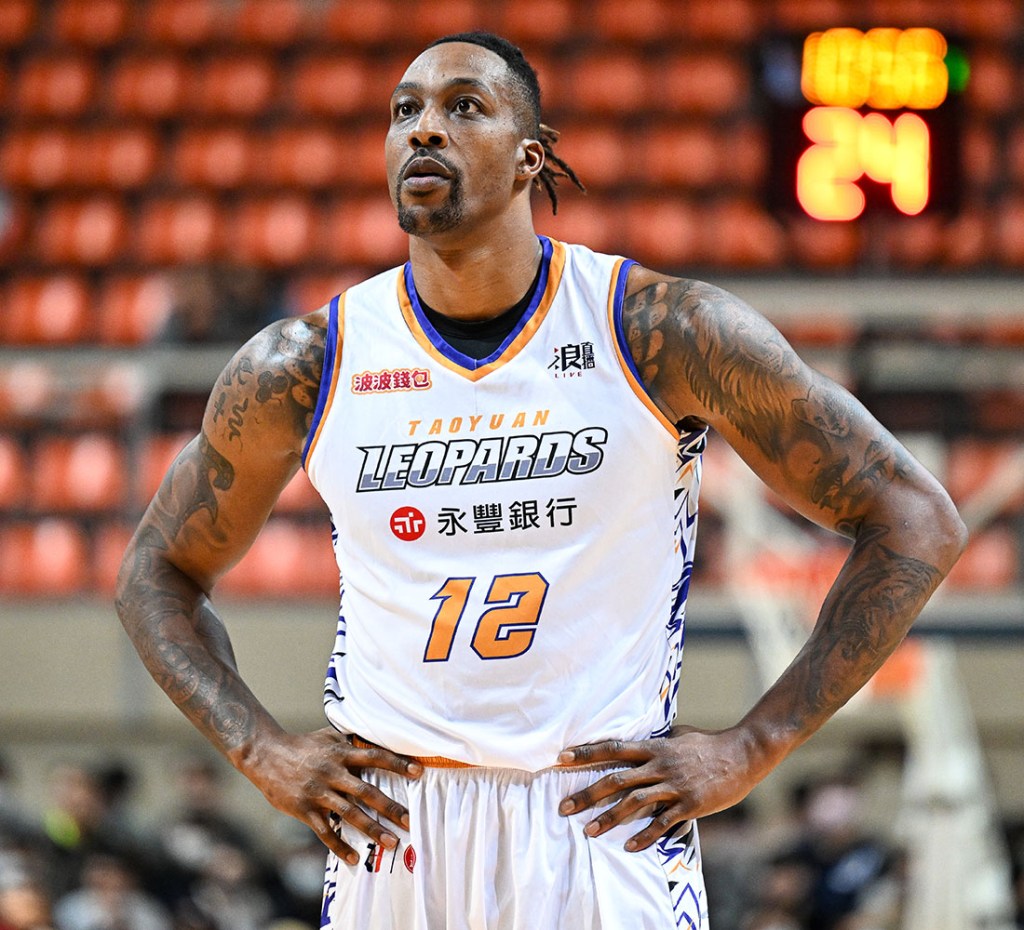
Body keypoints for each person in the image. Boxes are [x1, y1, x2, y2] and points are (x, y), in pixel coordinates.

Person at [115, 31, 967, 930]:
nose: (424, 130)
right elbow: (152, 574)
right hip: (393, 824)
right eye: (405, 110)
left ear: (531, 158)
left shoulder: (660, 331)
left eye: (463, 107)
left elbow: (914, 517)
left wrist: (756, 744)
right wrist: (260, 749)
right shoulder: (306, 362)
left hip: (600, 817)